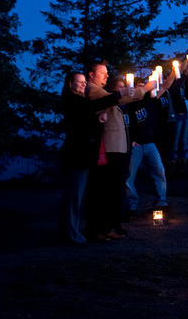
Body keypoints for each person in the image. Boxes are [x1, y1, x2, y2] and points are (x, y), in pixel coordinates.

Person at [85, 63, 155, 241]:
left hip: (119, 147)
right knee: (111, 189)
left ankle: (110, 225)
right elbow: (119, 99)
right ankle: (105, 227)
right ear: (91, 75)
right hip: (112, 148)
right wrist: (145, 88)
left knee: (116, 188)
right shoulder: (93, 90)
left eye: (107, 73)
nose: (106, 77)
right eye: (103, 73)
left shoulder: (101, 92)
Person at [58, 71, 130, 245]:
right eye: (79, 82)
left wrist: (100, 118)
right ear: (70, 84)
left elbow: (89, 117)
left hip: (84, 156)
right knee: (74, 196)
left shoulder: (80, 101)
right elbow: (89, 111)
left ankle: (76, 231)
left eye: (84, 82)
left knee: (79, 195)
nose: (83, 85)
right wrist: (119, 95)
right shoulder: (73, 101)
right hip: (77, 155)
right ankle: (71, 234)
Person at [124, 75, 176, 214]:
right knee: (129, 177)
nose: (143, 88)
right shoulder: (130, 103)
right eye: (139, 86)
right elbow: (125, 124)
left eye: (144, 85)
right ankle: (132, 205)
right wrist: (130, 141)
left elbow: (165, 85)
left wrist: (174, 70)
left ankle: (161, 200)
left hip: (150, 144)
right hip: (136, 146)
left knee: (159, 171)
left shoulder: (151, 100)